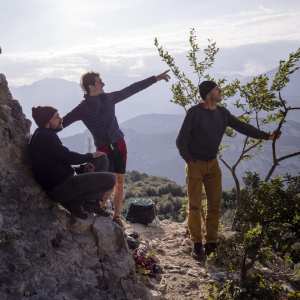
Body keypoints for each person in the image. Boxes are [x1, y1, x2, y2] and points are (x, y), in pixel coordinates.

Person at [176, 81, 281, 260]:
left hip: (213, 164)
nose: (221, 91)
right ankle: (196, 244)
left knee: (215, 205)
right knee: (195, 206)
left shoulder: (222, 112)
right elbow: (180, 139)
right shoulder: (194, 112)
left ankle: (211, 242)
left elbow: (241, 126)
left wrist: (267, 136)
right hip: (196, 164)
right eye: (217, 89)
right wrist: (190, 161)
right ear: (209, 94)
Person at [62, 70, 171, 227]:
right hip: (103, 149)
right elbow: (63, 122)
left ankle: (116, 216)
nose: (103, 83)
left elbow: (132, 89)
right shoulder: (83, 108)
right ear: (91, 87)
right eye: (100, 82)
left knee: (119, 181)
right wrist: (43, 132)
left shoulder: (108, 98)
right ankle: (99, 207)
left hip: (120, 144)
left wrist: (155, 78)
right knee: (107, 183)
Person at [29, 105, 116, 220]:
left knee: (101, 160)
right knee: (110, 179)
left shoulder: (44, 134)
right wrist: (91, 155)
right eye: (56, 117)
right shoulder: (45, 136)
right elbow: (69, 157)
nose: (61, 119)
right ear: (46, 123)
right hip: (61, 188)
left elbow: (61, 161)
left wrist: (81, 168)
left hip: (64, 182)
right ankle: (74, 202)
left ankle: (91, 203)